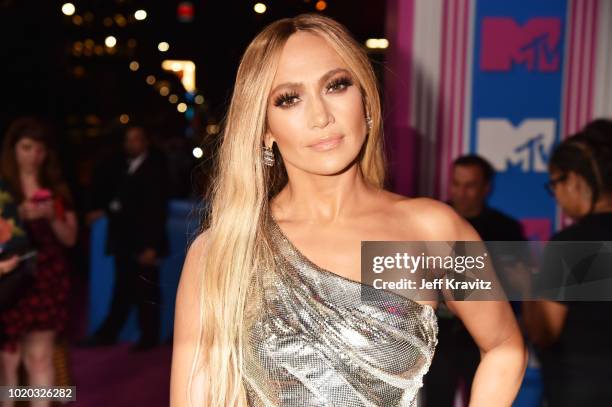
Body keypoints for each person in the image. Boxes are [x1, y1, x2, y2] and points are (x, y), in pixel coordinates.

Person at [170, 14, 527, 406]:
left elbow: (505, 348)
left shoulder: (431, 230)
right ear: (265, 129)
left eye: (336, 85)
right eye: (289, 99)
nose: (321, 116)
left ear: (366, 100)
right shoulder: (221, 252)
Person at [424, 154, 526, 406]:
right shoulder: (429, 223)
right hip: (439, 338)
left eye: (470, 185)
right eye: (456, 184)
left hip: (484, 339)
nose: (461, 192)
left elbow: (516, 286)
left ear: (485, 188)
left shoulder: (506, 230)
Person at [523, 122, 612, 406]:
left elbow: (544, 333)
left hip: (580, 387)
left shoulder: (571, 242)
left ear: (574, 180)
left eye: (554, 184)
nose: (557, 197)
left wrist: (526, 285)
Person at [0, 117, 77, 407]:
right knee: (8, 359)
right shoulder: (5, 191)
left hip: (47, 276)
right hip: (8, 278)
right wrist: (17, 214)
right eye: (27, 147)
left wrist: (50, 216)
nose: (33, 155)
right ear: (14, 149)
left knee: (40, 356)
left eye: (39, 149)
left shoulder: (56, 190)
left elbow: (70, 238)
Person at [83, 124, 169, 351]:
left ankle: (147, 338)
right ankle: (112, 334)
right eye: (128, 140)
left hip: (144, 243)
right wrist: (105, 211)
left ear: (146, 141)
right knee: (124, 290)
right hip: (125, 242)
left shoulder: (155, 169)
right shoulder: (124, 168)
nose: (132, 144)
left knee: (146, 291)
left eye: (137, 139)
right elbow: (122, 202)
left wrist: (151, 246)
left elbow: (156, 210)